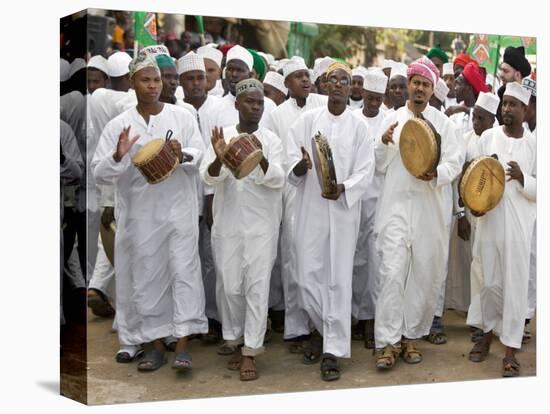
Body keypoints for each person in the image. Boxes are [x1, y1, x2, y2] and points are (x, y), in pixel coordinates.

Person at [92, 54, 208, 373]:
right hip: (141, 217)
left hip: (179, 212)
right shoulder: (120, 124)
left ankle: (182, 343)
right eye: (146, 80)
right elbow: (99, 173)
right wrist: (118, 155)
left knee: (184, 273)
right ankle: (156, 345)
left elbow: (199, 154)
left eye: (156, 80)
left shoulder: (182, 116)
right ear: (132, 84)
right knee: (148, 278)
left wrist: (181, 153)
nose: (154, 86)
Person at [286, 62, 375, 381]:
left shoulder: (360, 127)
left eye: (345, 81)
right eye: (333, 79)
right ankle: (325, 328)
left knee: (338, 279)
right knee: (306, 274)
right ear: (324, 85)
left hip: (343, 212)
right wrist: (298, 168)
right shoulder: (306, 121)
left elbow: (366, 170)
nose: (338, 84)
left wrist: (344, 188)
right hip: (310, 209)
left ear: (352, 89)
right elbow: (289, 161)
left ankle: (332, 349)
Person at [373, 57, 461, 370]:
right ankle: (387, 342)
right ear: (408, 85)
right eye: (416, 83)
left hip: (429, 210)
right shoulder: (392, 119)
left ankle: (410, 338)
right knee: (392, 274)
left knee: (422, 275)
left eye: (425, 84)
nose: (420, 88)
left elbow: (455, 162)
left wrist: (436, 174)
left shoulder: (445, 124)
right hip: (396, 208)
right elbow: (378, 163)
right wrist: (383, 144)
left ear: (432, 87)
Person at [200, 78, 285, 381]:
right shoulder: (221, 135)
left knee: (257, 287)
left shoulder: (271, 140)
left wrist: (259, 159)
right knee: (230, 285)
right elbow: (208, 178)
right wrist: (220, 157)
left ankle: (251, 350)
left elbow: (278, 179)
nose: (256, 107)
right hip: (228, 225)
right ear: (236, 104)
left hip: (262, 226)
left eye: (260, 102)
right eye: (250, 101)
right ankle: (234, 339)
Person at [466, 82, 536, 378]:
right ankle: (488, 333)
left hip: (519, 226)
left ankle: (510, 349)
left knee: (515, 285)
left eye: (513, 105)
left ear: (525, 110)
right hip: (489, 222)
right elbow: (474, 175)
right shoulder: (488, 137)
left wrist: (524, 179)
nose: (507, 109)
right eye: (504, 103)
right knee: (489, 281)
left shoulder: (535, 144)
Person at [263, 56, 328, 353]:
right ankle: (297, 328)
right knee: (293, 262)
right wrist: (297, 167)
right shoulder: (276, 114)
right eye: (298, 76)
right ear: (286, 83)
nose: (305, 80)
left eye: (307, 75)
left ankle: (319, 325)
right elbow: (274, 156)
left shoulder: (322, 105)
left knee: (320, 263)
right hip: (292, 196)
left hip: (322, 194)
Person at [177, 51, 224, 344]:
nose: (196, 83)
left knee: (212, 260)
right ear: (180, 82)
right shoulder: (174, 110)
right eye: (190, 79)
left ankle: (212, 317)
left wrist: (210, 200)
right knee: (184, 261)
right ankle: (186, 320)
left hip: (213, 195)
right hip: (182, 199)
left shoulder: (220, 109)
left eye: (200, 78)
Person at [352, 69, 388, 348]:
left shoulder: (389, 121)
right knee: (353, 260)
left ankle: (369, 319)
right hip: (352, 202)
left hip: (378, 201)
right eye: (371, 97)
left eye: (379, 98)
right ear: (363, 94)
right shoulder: (352, 120)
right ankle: (351, 316)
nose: (374, 102)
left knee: (374, 261)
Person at [213, 45, 276, 128]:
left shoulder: (269, 106)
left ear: (250, 75)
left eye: (240, 70)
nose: (234, 74)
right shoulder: (215, 107)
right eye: (230, 69)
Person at [496, 46, 532, 124]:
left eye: (505, 71)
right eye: (501, 70)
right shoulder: (500, 96)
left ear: (518, 75)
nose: (501, 75)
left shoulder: (531, 102)